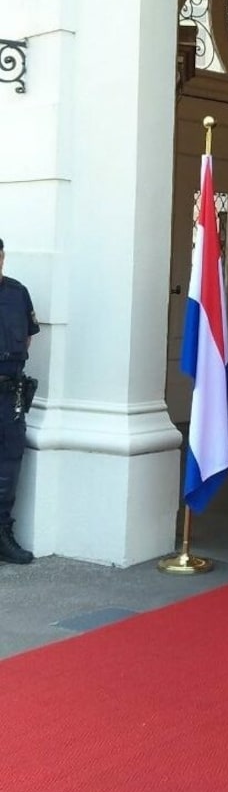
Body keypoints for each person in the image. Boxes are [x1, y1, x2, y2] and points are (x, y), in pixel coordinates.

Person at [0, 237, 40, 564]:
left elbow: (26, 336)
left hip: (9, 394)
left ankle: (2, 533)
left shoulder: (17, 293)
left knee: (10, 461)